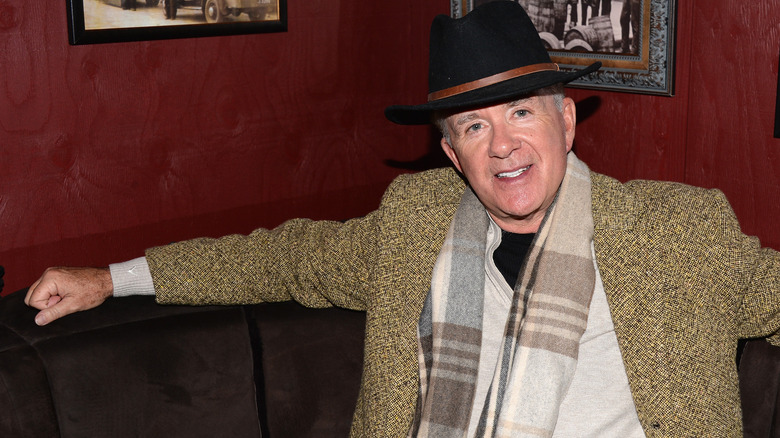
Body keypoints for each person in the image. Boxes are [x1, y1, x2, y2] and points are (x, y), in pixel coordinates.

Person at [25, 1, 780, 437]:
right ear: (452, 155)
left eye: (521, 112)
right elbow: (286, 259)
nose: (505, 145)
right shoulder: (415, 223)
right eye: (474, 127)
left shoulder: (679, 233)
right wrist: (111, 278)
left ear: (568, 124)